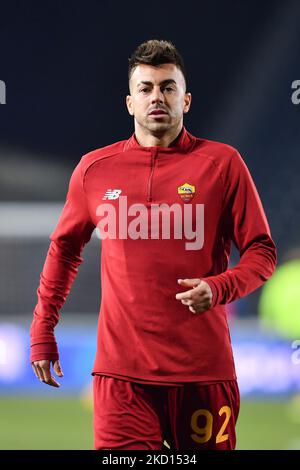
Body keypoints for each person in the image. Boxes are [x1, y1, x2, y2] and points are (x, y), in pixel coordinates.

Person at [30, 39, 277, 450]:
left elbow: (262, 252)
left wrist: (219, 288)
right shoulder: (94, 169)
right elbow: (64, 250)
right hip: (121, 377)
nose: (156, 97)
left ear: (187, 100)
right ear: (130, 103)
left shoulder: (222, 164)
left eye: (168, 87)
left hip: (203, 373)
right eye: (145, 88)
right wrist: (43, 328)